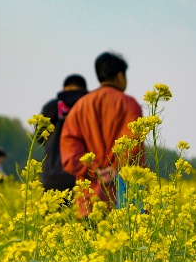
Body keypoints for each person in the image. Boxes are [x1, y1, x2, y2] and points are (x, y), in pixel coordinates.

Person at [59, 51, 144, 213]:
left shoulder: (80, 106)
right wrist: (115, 169)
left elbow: (70, 153)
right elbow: (134, 146)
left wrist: (95, 170)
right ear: (120, 76)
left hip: (88, 198)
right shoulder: (130, 105)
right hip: (123, 198)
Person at [39, 74, 88, 192]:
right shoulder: (89, 105)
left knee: (53, 209)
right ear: (85, 89)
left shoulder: (51, 106)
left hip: (53, 173)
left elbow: (40, 138)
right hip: (83, 173)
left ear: (64, 88)